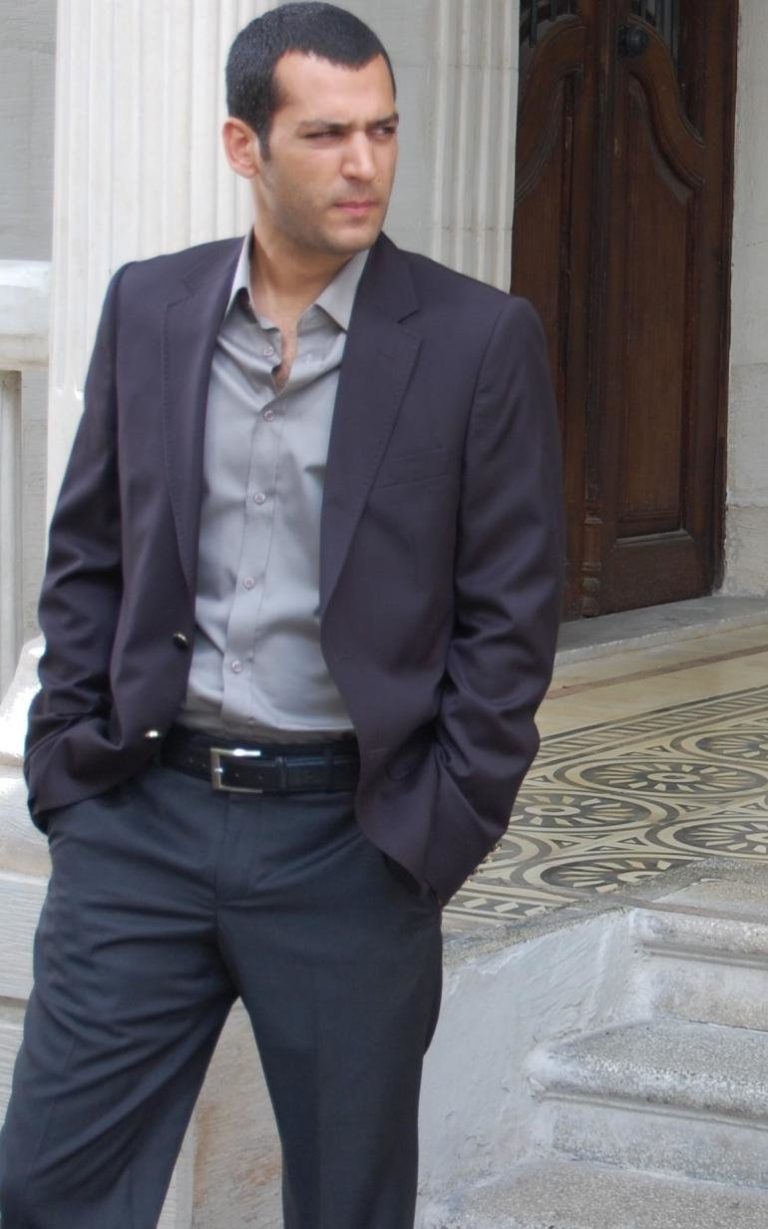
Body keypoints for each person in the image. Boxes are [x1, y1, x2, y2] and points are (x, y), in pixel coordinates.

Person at [0, 4, 564, 1227]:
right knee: (46, 1185)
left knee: (348, 1203)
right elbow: (89, 553)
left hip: (348, 841)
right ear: (243, 145)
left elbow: (512, 616)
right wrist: (67, 774)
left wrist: (433, 833)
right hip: (139, 821)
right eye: (326, 134)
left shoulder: (477, 339)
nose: (365, 164)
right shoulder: (150, 306)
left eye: (384, 130)